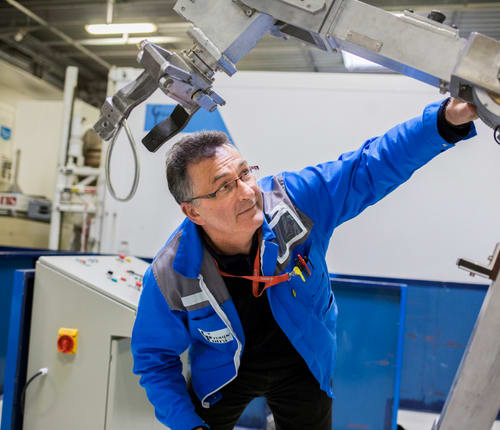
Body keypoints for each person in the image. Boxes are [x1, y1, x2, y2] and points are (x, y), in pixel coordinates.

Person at [131, 98, 478, 430]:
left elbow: (368, 167)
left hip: (304, 357)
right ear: (193, 211)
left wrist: (444, 122)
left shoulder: (296, 204)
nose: (247, 192)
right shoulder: (170, 274)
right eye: (224, 187)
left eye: (245, 173)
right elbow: (155, 359)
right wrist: (188, 426)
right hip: (223, 373)